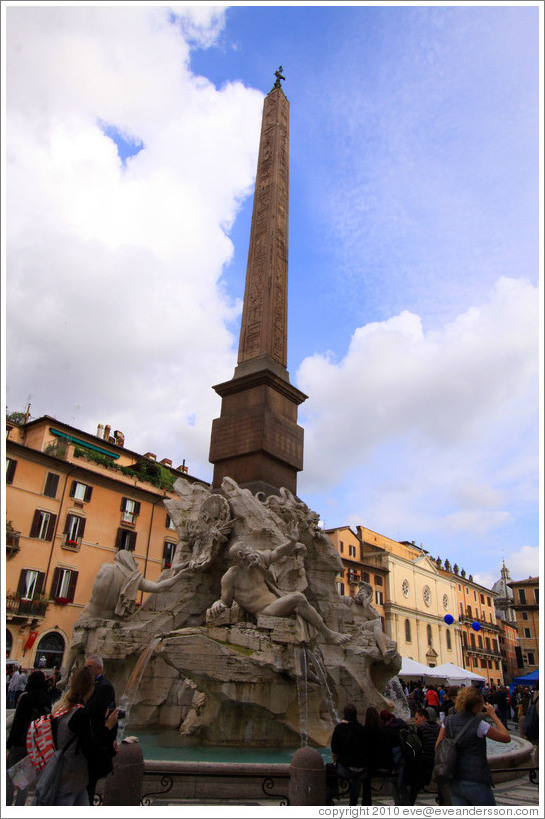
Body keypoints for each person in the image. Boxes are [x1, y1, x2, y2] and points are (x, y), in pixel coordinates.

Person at [209, 528, 351, 645]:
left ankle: (328, 633)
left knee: (298, 598)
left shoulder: (258, 560)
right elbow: (225, 601)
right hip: (263, 611)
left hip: (277, 601)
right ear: (241, 555)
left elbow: (277, 552)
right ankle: (328, 634)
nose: (251, 549)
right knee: (298, 597)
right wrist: (217, 604)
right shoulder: (231, 576)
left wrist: (292, 542)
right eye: (247, 548)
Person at [41, 664, 117, 805]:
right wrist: (107, 727)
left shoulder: (61, 708)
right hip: (70, 779)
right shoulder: (80, 713)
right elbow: (90, 748)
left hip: (70, 778)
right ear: (90, 688)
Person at [435, 684, 510, 806]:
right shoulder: (479, 725)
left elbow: (437, 747)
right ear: (476, 705)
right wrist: (493, 715)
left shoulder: (447, 722)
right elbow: (506, 738)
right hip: (475, 779)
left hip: (454, 781)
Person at [6, 670, 52, 805]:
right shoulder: (47, 701)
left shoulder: (26, 698)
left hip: (19, 743)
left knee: (9, 779)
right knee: (23, 782)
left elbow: (17, 723)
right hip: (34, 746)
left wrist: (9, 745)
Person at [84, 655, 119, 804]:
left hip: (95, 746)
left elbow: (110, 717)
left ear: (99, 668)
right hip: (86, 744)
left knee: (88, 789)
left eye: (90, 667)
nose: (87, 670)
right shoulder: (89, 684)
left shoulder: (104, 687)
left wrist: (110, 740)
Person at [330, 704, 369, 805]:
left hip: (345, 769)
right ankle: (354, 801)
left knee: (329, 772)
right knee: (356, 774)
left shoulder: (339, 728)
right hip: (362, 769)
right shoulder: (362, 729)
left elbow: (334, 751)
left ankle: (330, 797)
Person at [361, 707, 393, 805]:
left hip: (372, 767)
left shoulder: (366, 730)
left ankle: (366, 803)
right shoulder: (384, 729)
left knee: (364, 776)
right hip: (386, 765)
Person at [409, 707, 441, 804]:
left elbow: (416, 747)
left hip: (424, 763)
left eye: (417, 718)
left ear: (423, 718)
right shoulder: (439, 727)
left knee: (414, 788)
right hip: (437, 761)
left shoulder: (420, 729)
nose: (416, 721)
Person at [380, 709, 410, 805]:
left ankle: (399, 805)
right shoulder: (402, 724)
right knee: (402, 784)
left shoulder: (390, 729)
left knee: (395, 782)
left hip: (398, 760)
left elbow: (395, 749)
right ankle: (406, 804)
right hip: (408, 758)